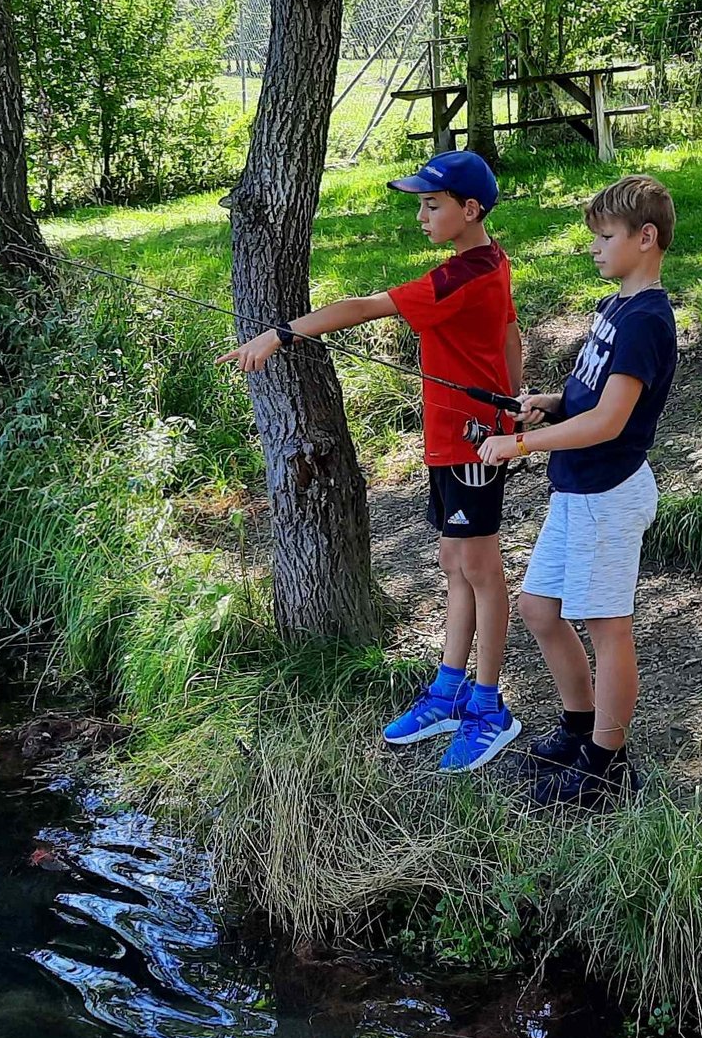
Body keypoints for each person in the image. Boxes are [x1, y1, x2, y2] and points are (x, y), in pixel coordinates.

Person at [223, 149, 526, 772]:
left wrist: (279, 335)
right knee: (454, 561)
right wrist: (513, 401)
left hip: (470, 443)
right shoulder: (488, 265)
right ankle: (449, 688)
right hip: (455, 438)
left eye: (431, 204)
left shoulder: (461, 277)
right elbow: (508, 335)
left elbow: (364, 306)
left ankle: (490, 705)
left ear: (470, 211)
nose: (421, 214)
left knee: (481, 569)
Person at [474, 174, 677, 807]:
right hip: (578, 488)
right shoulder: (616, 306)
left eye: (605, 237)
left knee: (606, 626)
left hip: (608, 493)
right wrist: (550, 403)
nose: (594, 248)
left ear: (646, 239)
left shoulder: (647, 318)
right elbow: (591, 398)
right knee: (540, 608)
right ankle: (580, 728)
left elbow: (611, 422)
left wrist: (522, 443)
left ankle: (606, 766)